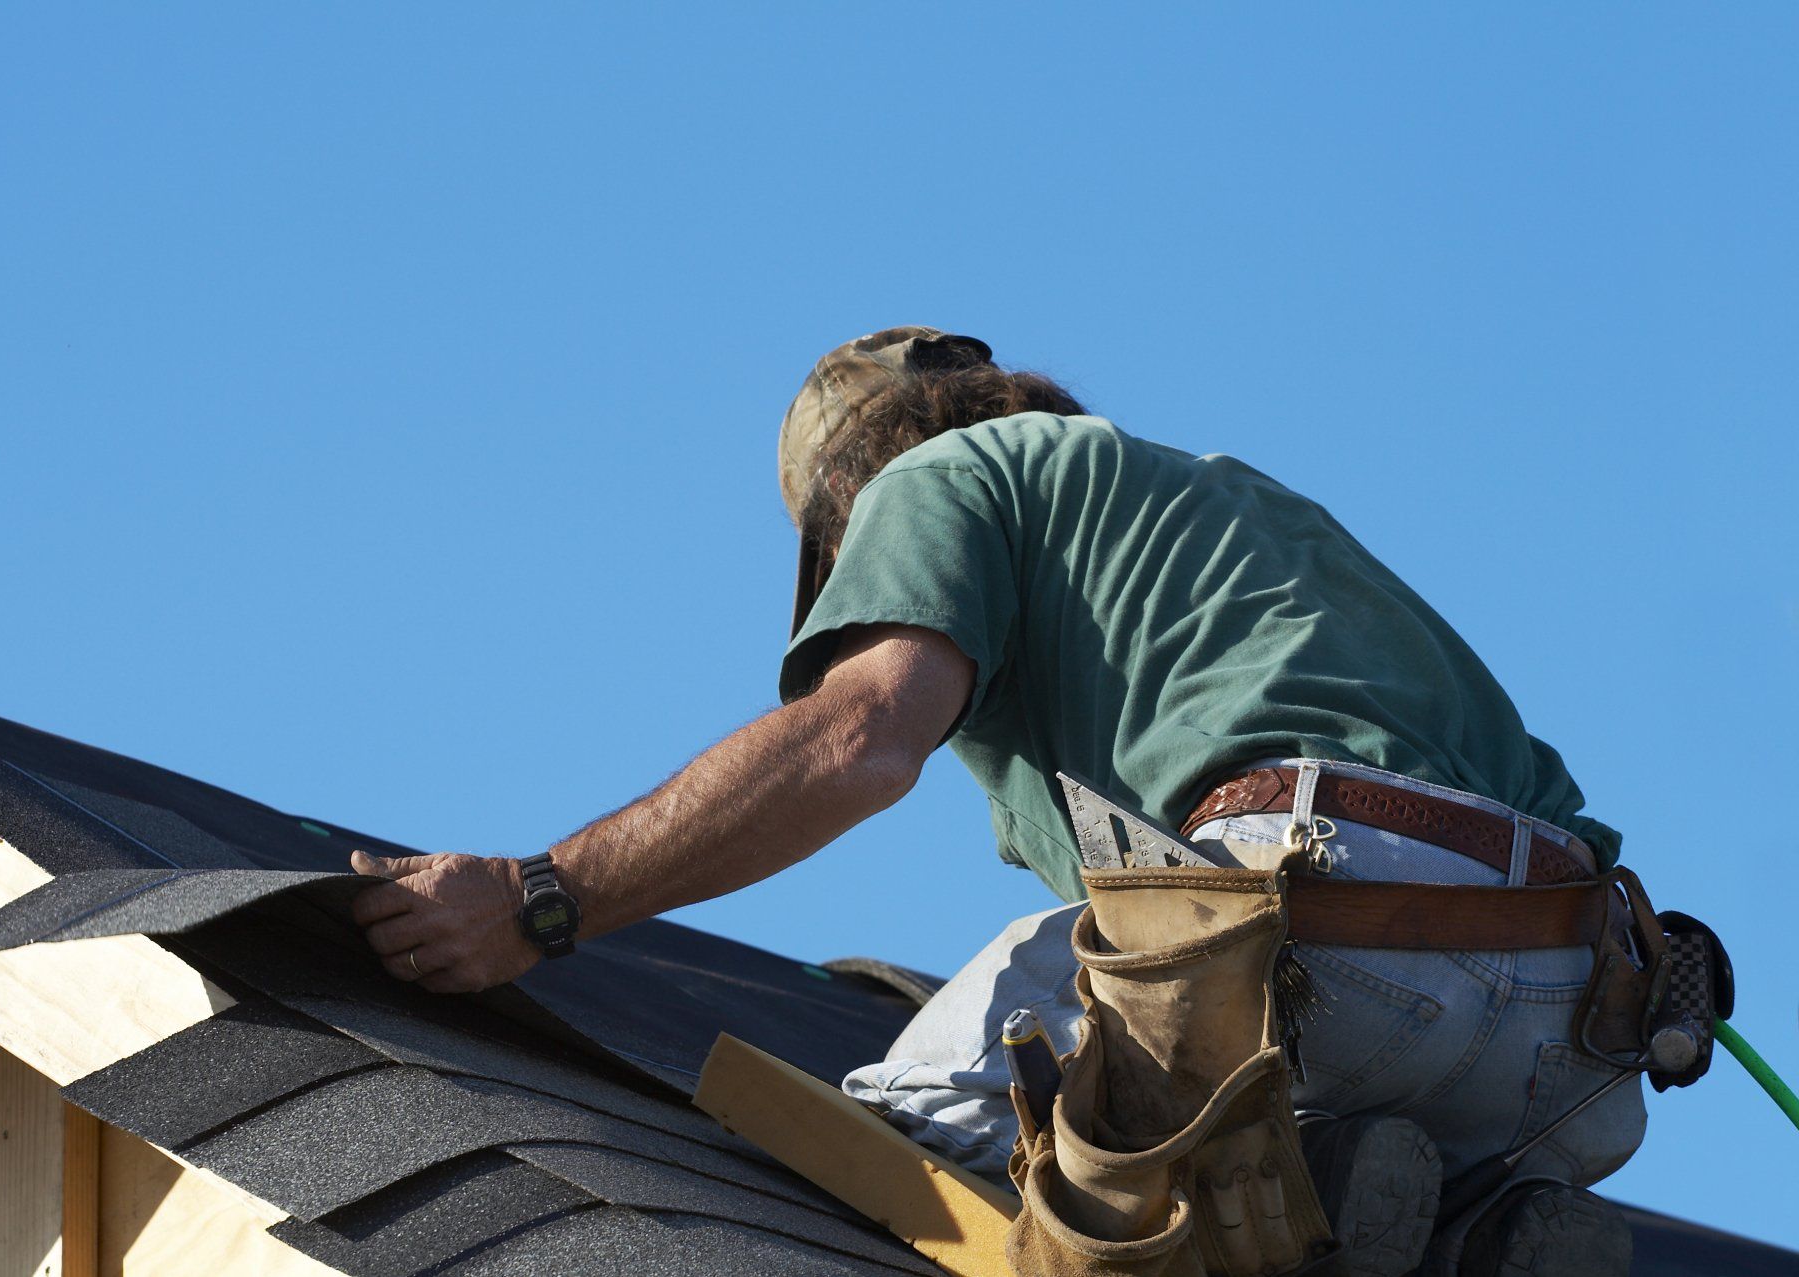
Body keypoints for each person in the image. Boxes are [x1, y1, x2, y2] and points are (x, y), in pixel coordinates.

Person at [348, 327, 1642, 1277]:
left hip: (1326, 926)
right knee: (1299, 1192)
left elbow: (860, 736)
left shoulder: (937, 481)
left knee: (910, 1128)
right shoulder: (1220, 514)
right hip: (1571, 1038)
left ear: (850, 519)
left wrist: (539, 900)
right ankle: (1443, 1221)